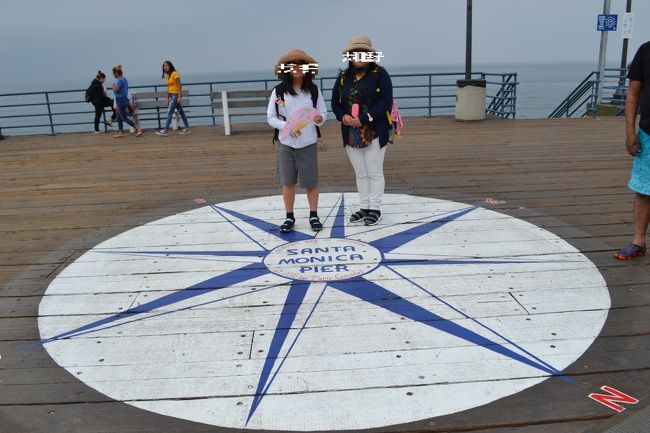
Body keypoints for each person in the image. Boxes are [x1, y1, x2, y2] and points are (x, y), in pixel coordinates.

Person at [331, 35, 393, 226]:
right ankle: (364, 206)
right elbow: (335, 103)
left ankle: (375, 208)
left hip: (375, 130)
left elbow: (385, 101)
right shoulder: (343, 78)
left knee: (374, 172)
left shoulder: (380, 75)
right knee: (360, 173)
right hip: (351, 133)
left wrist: (364, 118)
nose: (357, 57)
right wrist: (344, 117)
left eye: (362, 53)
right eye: (354, 53)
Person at [267, 49, 327, 233]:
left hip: (308, 142)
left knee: (311, 181)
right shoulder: (278, 91)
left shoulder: (314, 91)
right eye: (292, 65)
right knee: (288, 181)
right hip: (286, 143)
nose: (297, 68)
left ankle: (314, 215)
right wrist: (288, 127)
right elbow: (270, 117)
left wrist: (319, 120)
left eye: (301, 65)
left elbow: (323, 113)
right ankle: (289, 216)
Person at [616, 41, 650, 260]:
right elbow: (633, 93)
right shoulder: (646, 50)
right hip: (649, 131)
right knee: (644, 189)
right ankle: (638, 241)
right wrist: (630, 131)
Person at [156, 60, 190, 135]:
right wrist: (167, 98)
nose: (165, 67)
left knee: (170, 112)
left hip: (175, 95)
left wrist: (179, 96)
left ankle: (165, 130)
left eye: (167, 65)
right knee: (181, 112)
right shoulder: (167, 76)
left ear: (170, 66)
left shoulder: (175, 73)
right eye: (164, 66)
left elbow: (180, 85)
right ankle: (187, 128)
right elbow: (168, 88)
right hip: (171, 96)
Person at [111, 65, 142, 138]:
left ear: (116, 73)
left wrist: (113, 85)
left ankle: (138, 129)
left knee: (123, 118)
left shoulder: (119, 80)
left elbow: (116, 90)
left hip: (120, 100)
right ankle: (120, 132)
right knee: (118, 116)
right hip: (124, 99)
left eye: (113, 73)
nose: (113, 74)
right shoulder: (124, 79)